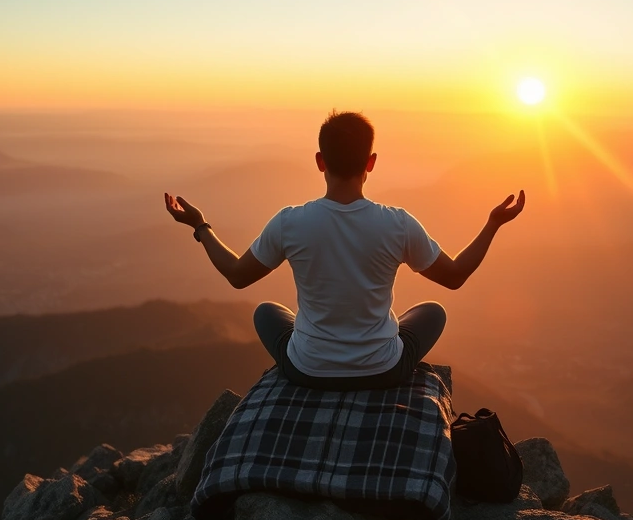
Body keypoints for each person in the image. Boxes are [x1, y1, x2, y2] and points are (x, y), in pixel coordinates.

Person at [165, 111, 525, 390]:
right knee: (433, 312)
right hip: (383, 372)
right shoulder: (397, 224)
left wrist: (200, 226)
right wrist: (492, 224)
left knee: (265, 313)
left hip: (307, 371)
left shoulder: (290, 222)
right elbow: (455, 276)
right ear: (371, 162)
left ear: (320, 161)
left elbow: (237, 275)